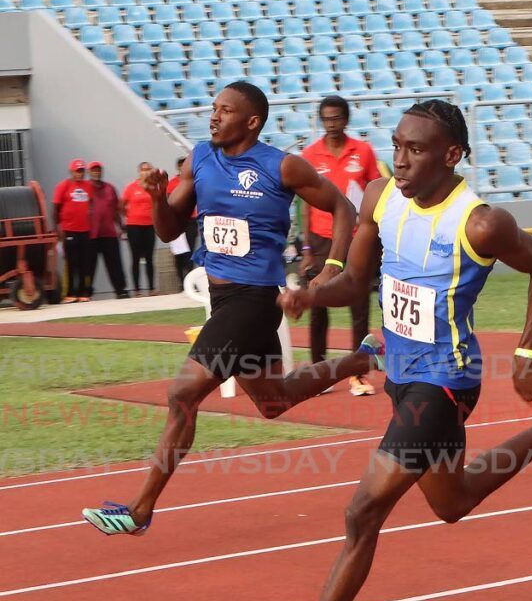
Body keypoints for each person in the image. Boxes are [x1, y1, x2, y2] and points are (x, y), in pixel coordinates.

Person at [226, 100, 532, 601]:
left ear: (452, 156)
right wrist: (311, 296)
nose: (399, 159)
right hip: (395, 361)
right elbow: (354, 281)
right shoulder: (378, 196)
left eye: (415, 150)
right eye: (396, 145)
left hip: (445, 380)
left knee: (362, 513)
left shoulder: (480, 223)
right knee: (454, 502)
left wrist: (525, 354)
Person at [82, 82, 364, 536]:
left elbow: (342, 206)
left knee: (182, 394)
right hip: (222, 299)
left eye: (225, 110)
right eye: (214, 109)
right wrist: (157, 197)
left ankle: (139, 509)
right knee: (275, 401)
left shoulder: (281, 166)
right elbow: (169, 228)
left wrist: (330, 267)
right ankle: (360, 358)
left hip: (254, 300)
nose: (214, 117)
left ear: (251, 122)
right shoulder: (200, 159)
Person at [300, 96, 381, 396]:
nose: (332, 124)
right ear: (321, 121)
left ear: (346, 119)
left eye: (337, 118)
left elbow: (376, 191)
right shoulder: (310, 155)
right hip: (322, 240)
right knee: (318, 305)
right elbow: (305, 205)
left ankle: (358, 374)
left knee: (359, 306)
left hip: (358, 238)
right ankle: (318, 370)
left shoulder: (363, 151)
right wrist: (307, 250)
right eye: (327, 118)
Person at [85, 161, 129, 299]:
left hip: (109, 232)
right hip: (91, 234)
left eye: (98, 170)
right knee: (89, 266)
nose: (96, 172)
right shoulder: (85, 189)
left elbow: (116, 209)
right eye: (93, 170)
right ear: (89, 172)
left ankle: (120, 290)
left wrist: (121, 225)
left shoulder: (110, 188)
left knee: (115, 263)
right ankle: (86, 292)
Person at [52, 159, 93, 302]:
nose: (80, 174)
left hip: (85, 230)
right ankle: (70, 293)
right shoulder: (63, 186)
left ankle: (82, 293)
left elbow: (91, 204)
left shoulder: (88, 186)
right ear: (71, 172)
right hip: (69, 230)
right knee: (71, 262)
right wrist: (58, 228)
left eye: (82, 171)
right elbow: (55, 209)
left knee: (84, 262)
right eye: (77, 171)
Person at [121, 161, 157, 296]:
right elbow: (121, 205)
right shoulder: (131, 187)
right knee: (135, 257)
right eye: (143, 169)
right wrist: (129, 216)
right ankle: (136, 289)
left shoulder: (154, 187)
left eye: (148, 169)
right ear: (139, 172)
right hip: (134, 226)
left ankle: (152, 288)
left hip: (149, 225)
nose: (146, 172)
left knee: (149, 257)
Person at [167, 155, 199, 288]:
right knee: (179, 253)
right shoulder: (172, 182)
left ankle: (190, 280)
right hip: (178, 220)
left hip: (191, 220)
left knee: (190, 251)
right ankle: (182, 282)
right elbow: (169, 201)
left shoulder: (194, 181)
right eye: (181, 165)